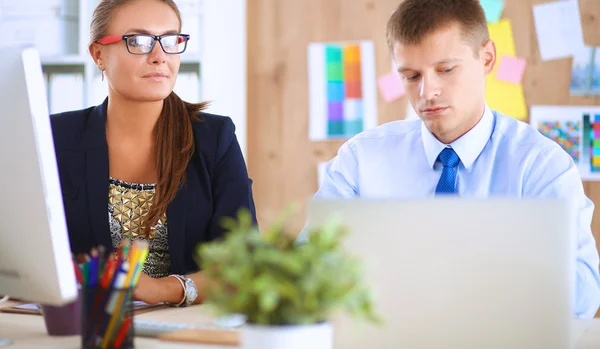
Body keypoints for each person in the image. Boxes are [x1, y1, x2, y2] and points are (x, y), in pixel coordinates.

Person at [299, 0, 600, 318]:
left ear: (487, 58)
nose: (428, 91)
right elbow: (307, 269)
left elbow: (584, 295)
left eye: (445, 70)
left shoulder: (541, 165)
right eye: (411, 76)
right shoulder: (360, 160)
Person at [50, 0, 256, 306]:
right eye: (138, 41)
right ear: (98, 54)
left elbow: (245, 262)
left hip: (186, 331)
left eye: (171, 41)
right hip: (86, 327)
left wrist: (164, 290)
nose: (160, 57)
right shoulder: (55, 137)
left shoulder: (215, 139)